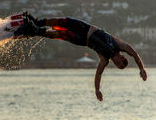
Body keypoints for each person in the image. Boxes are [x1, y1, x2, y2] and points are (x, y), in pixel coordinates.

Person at [19, 14, 148, 101]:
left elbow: (98, 75)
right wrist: (141, 69)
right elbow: (135, 54)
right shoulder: (119, 45)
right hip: (85, 28)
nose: (116, 63)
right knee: (63, 22)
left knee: (60, 34)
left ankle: (35, 31)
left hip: (82, 40)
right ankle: (37, 22)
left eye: (117, 65)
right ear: (122, 57)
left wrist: (97, 90)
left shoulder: (105, 59)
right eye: (119, 63)